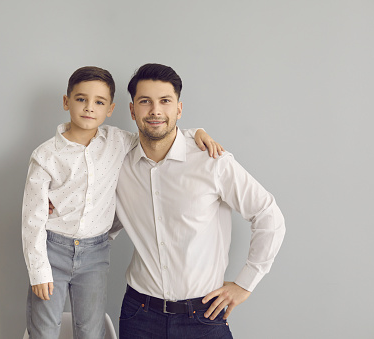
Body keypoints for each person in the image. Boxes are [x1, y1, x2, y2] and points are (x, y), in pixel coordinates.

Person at [22, 66, 222, 338]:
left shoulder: (117, 141)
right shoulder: (46, 155)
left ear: (111, 109)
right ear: (66, 102)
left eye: (99, 102)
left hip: (95, 254)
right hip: (52, 248)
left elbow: (157, 133)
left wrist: (195, 132)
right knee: (44, 328)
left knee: (90, 329)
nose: (89, 107)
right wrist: (38, 271)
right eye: (81, 99)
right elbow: (32, 219)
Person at [110, 63, 286, 338]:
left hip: (203, 315)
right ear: (132, 110)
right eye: (145, 102)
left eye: (165, 101)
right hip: (138, 314)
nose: (155, 111)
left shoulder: (211, 161)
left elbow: (268, 214)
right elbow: (98, 215)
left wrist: (245, 284)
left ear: (179, 109)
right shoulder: (117, 162)